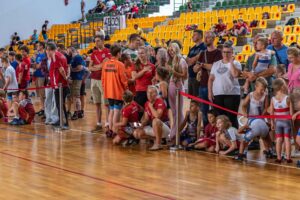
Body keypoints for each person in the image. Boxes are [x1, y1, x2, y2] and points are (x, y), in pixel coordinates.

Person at [235, 78, 272, 161]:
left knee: (266, 136)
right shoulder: (250, 95)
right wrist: (244, 113)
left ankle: (269, 150)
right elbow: (244, 105)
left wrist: (263, 115)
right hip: (251, 118)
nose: (263, 91)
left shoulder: (265, 96)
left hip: (261, 118)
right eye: (261, 89)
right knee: (247, 135)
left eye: (264, 89)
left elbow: (266, 108)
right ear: (256, 87)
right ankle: (243, 151)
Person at [208, 41, 241, 128]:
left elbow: (235, 75)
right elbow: (210, 79)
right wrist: (210, 93)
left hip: (232, 95)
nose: (226, 54)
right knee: (220, 119)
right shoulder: (216, 64)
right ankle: (222, 139)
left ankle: (234, 139)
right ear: (222, 53)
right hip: (218, 94)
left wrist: (231, 62)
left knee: (231, 118)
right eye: (224, 52)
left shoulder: (236, 63)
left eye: (228, 52)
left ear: (232, 53)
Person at [193, 31, 222, 126]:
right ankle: (207, 131)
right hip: (202, 85)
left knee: (216, 111)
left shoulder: (218, 53)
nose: (205, 39)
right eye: (205, 37)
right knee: (204, 112)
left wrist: (202, 65)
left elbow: (215, 67)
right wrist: (197, 67)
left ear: (213, 39)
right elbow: (195, 68)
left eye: (208, 37)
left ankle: (216, 131)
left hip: (214, 86)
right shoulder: (203, 53)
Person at [133, 86, 170, 150]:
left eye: (151, 93)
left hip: (164, 128)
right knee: (136, 133)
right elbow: (146, 119)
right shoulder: (147, 103)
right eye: (148, 92)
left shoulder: (160, 101)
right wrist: (142, 124)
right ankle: (158, 140)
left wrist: (151, 106)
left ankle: (158, 144)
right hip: (153, 127)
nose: (149, 95)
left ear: (156, 94)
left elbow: (157, 116)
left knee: (155, 120)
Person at [102, 45, 128, 135]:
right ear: (118, 53)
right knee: (117, 111)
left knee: (111, 110)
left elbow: (103, 79)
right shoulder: (120, 64)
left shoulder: (105, 63)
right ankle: (114, 130)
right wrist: (126, 89)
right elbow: (123, 80)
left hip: (108, 91)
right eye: (120, 52)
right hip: (118, 91)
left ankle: (110, 129)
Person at [89, 35, 111, 132]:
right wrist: (99, 66)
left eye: (98, 41)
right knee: (97, 103)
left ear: (102, 41)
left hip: (104, 80)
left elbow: (105, 65)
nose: (96, 43)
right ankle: (98, 123)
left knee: (106, 104)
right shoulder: (93, 53)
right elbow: (90, 67)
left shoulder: (108, 52)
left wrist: (96, 67)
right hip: (93, 80)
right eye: (95, 41)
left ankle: (108, 123)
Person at [167, 42, 188, 140]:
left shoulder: (182, 60)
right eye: (169, 50)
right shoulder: (172, 61)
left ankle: (176, 132)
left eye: (172, 49)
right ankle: (176, 131)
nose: (171, 52)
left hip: (178, 86)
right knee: (174, 112)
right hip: (171, 86)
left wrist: (173, 72)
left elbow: (185, 76)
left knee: (178, 111)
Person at [47, 42, 69, 129]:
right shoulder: (61, 55)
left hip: (59, 85)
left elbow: (61, 69)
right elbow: (67, 67)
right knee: (60, 104)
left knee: (60, 104)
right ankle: (61, 120)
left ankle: (63, 122)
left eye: (47, 50)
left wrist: (65, 78)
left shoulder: (55, 55)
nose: (47, 52)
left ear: (50, 49)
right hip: (60, 84)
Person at [270, 78, 292, 163]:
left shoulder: (273, 99)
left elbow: (271, 113)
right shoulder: (287, 98)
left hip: (278, 122)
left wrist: (272, 123)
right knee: (287, 140)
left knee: (278, 140)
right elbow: (291, 113)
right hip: (287, 122)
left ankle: (279, 157)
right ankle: (288, 157)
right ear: (283, 87)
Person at [286, 47, 300, 157]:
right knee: (293, 122)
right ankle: (296, 147)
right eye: (289, 57)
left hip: (299, 94)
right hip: (291, 94)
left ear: (297, 56)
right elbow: (288, 79)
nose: (290, 59)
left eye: (292, 57)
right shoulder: (290, 66)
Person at [186, 30, 206, 97]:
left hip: (198, 77)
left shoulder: (204, 46)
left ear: (200, 36)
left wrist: (192, 60)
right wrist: (195, 58)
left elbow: (200, 57)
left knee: (198, 99)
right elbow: (187, 61)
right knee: (192, 100)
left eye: (195, 35)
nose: (192, 36)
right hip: (191, 76)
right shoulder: (192, 48)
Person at [69, 47, 85, 120]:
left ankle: (77, 112)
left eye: (68, 50)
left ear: (72, 50)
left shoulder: (77, 57)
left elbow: (79, 68)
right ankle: (78, 112)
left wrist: (71, 69)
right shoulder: (74, 58)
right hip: (75, 79)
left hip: (77, 79)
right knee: (75, 96)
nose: (67, 51)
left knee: (76, 97)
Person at [34, 42, 47, 117]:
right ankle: (42, 108)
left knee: (43, 94)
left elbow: (38, 66)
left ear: (42, 46)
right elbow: (35, 64)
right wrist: (36, 65)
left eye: (38, 45)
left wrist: (37, 65)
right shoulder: (38, 55)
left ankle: (45, 109)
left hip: (42, 75)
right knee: (39, 94)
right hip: (37, 75)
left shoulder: (44, 55)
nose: (37, 47)